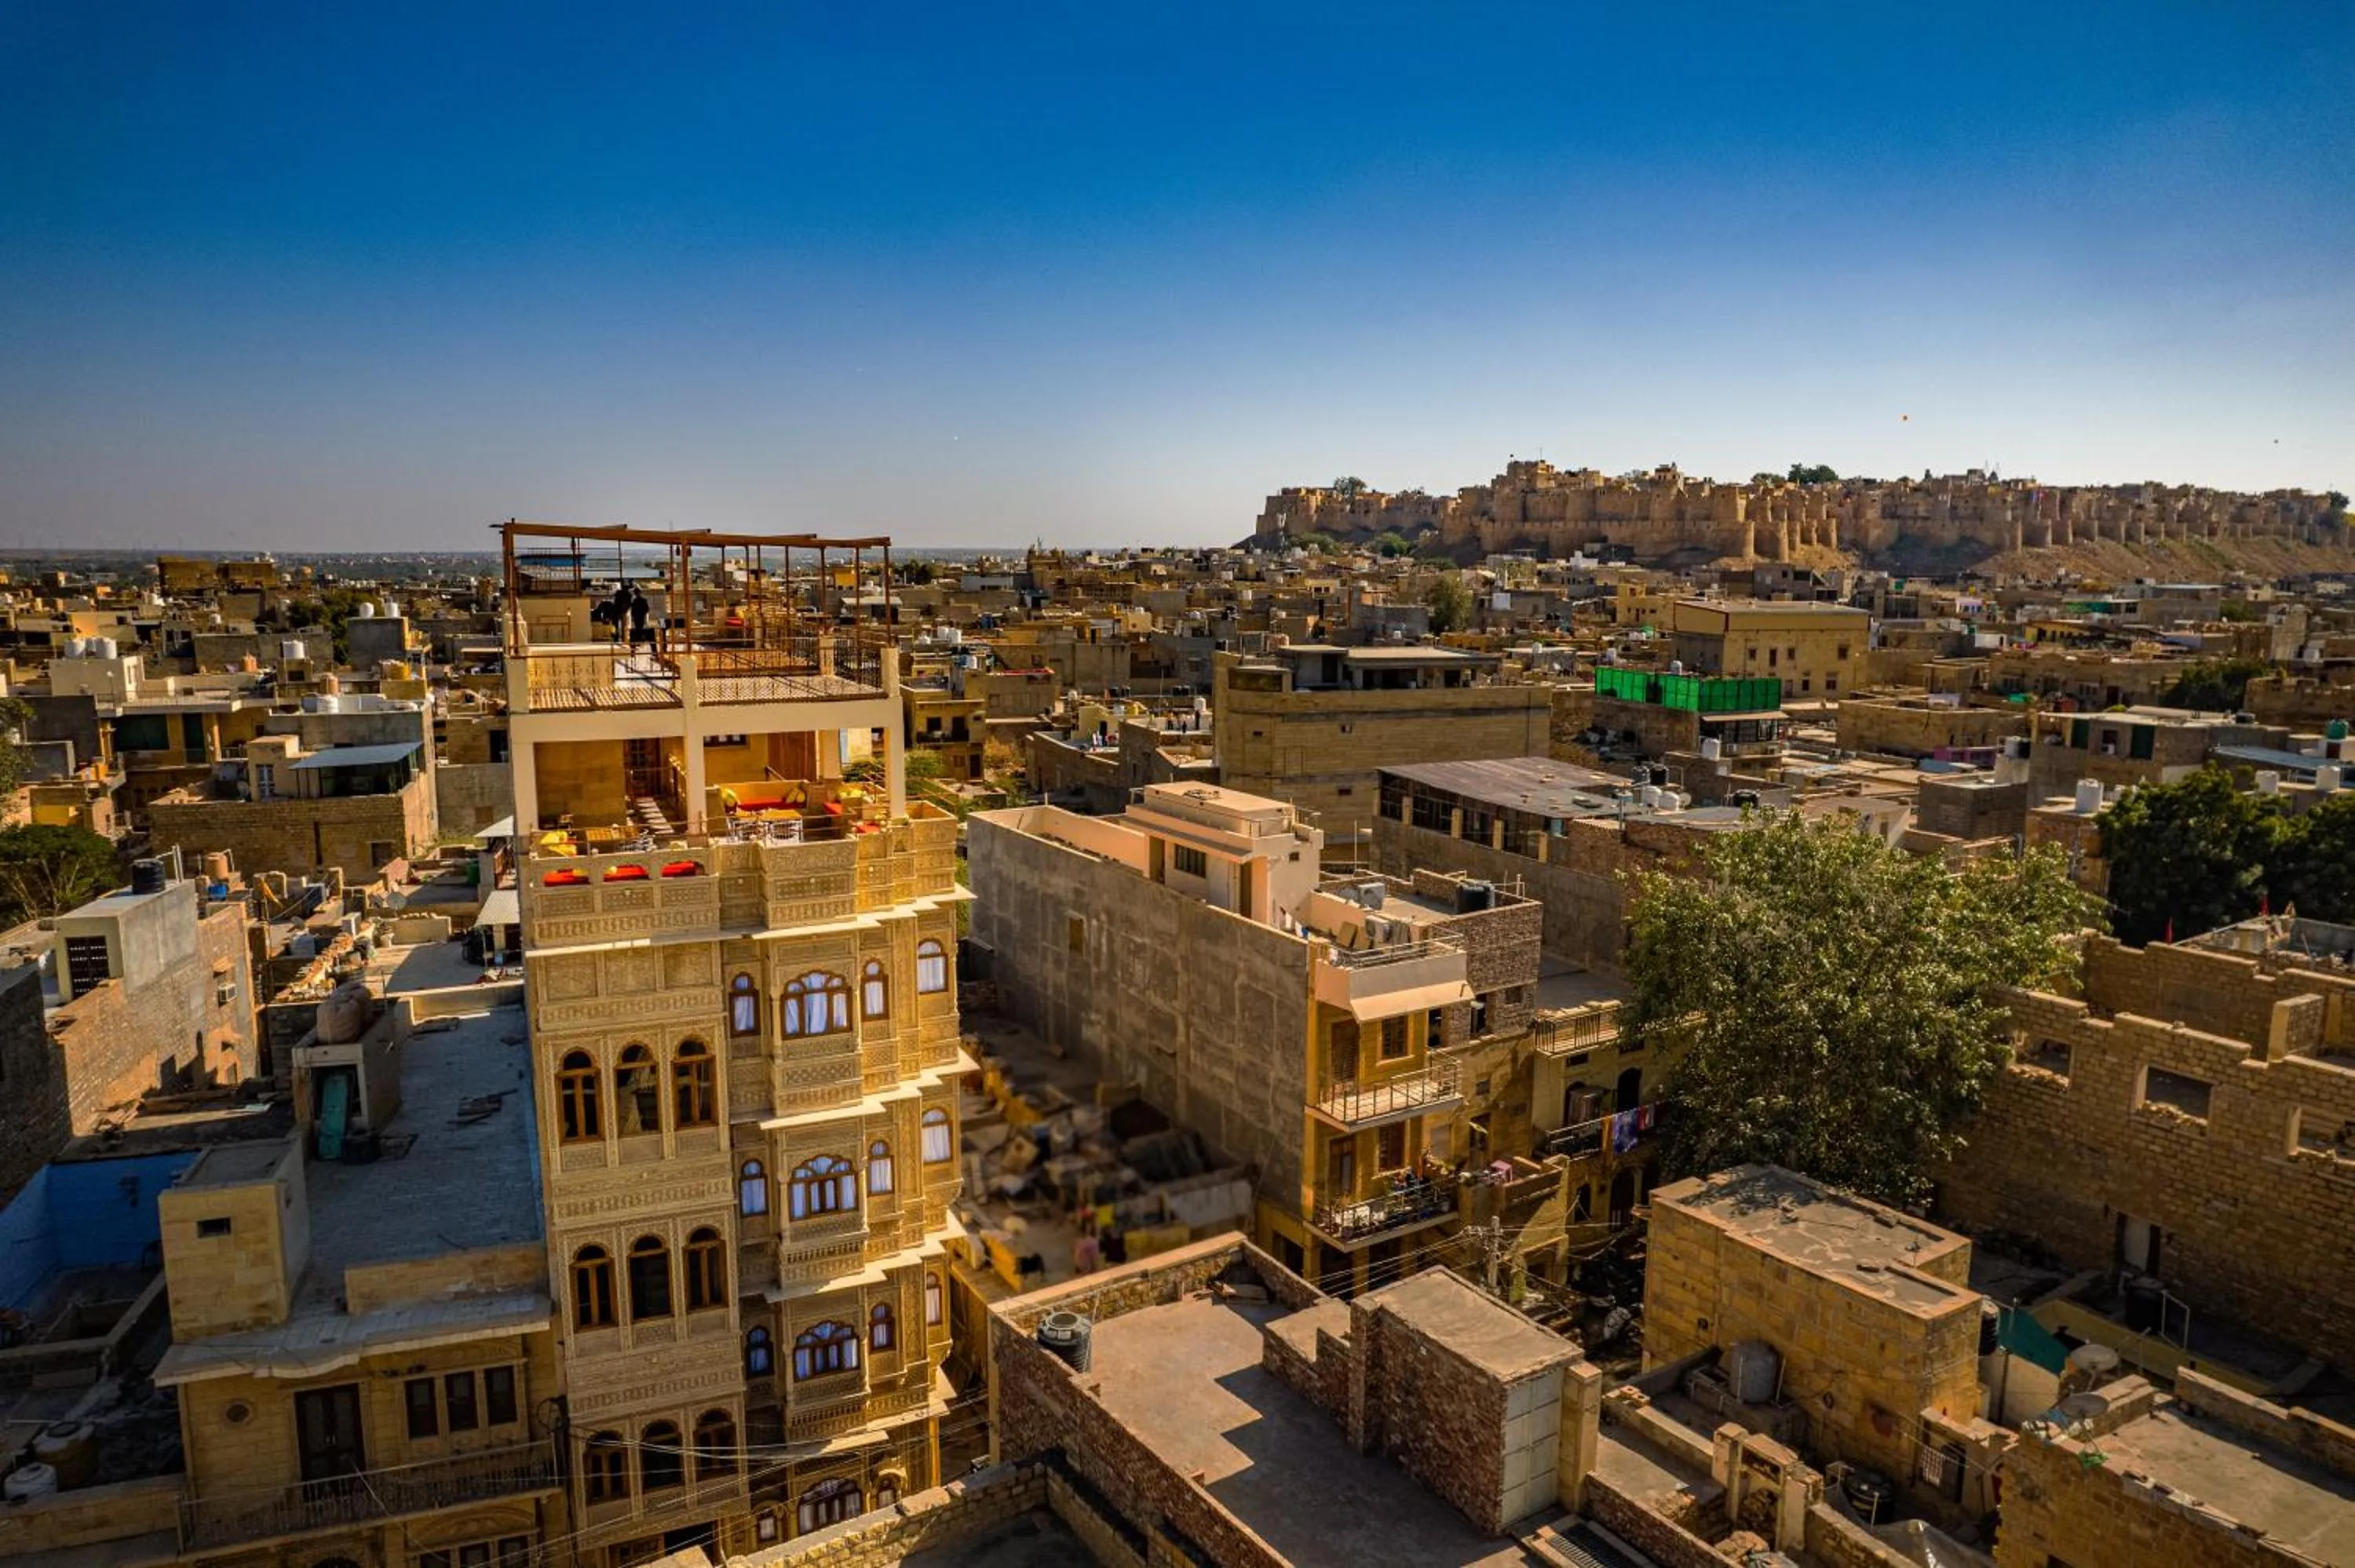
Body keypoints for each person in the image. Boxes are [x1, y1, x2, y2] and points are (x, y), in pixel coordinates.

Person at [626, 585, 651, 651]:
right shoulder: (643, 600)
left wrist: (633, 616)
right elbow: (647, 609)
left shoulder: (634, 601)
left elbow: (633, 610)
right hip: (641, 616)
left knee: (637, 628)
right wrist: (643, 613)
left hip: (636, 617)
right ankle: (639, 641)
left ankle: (637, 641)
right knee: (640, 628)